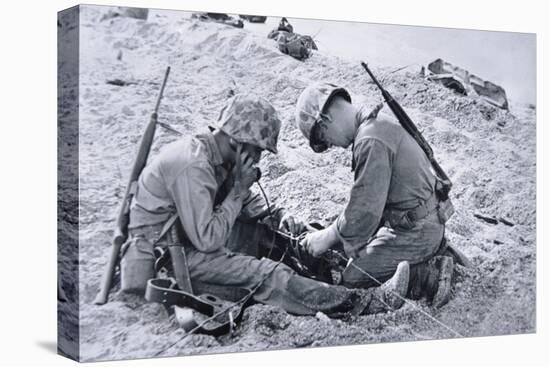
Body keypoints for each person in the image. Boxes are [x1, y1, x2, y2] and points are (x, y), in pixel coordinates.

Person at [120, 93, 410, 316]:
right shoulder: (193, 165)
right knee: (265, 274)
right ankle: (365, 302)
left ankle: (339, 274)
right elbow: (208, 240)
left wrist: (282, 218)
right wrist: (238, 189)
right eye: (258, 150)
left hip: (194, 234)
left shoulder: (218, 154)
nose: (258, 160)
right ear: (237, 142)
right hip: (175, 256)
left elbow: (247, 204)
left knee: (280, 235)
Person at [294, 82, 455, 307]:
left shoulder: (370, 141)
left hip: (418, 231)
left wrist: (330, 237)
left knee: (352, 279)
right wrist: (345, 238)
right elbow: (371, 203)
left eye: (324, 139)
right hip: (421, 219)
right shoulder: (376, 124)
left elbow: (365, 212)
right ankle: (426, 257)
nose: (332, 145)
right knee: (344, 249)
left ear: (325, 121)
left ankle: (427, 274)